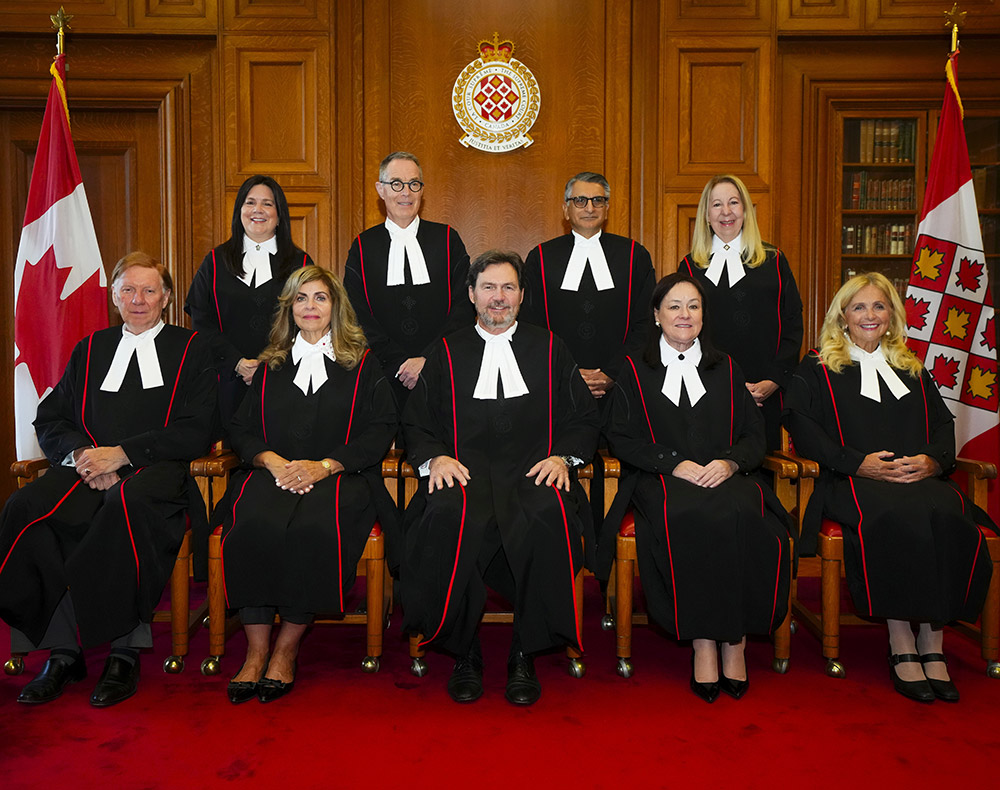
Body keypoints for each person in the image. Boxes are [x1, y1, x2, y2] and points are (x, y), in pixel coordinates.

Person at [0, 252, 216, 707]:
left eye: (149, 290)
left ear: (167, 297)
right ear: (114, 297)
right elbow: (51, 418)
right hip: (87, 469)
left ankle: (124, 650)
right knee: (27, 509)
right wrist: (83, 457)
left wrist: (121, 456)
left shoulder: (191, 347)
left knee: (124, 508)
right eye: (127, 290)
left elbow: (198, 428)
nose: (138, 300)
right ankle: (63, 651)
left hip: (156, 473)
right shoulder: (91, 348)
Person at [783, 272, 995, 703]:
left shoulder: (912, 366)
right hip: (852, 481)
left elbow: (941, 425)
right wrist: (858, 464)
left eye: (879, 306)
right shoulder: (817, 367)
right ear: (842, 315)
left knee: (945, 513)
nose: (869, 315)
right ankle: (901, 639)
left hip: (917, 479)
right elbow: (803, 431)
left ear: (892, 317)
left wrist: (932, 461)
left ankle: (932, 641)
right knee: (897, 516)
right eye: (859, 306)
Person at [401, 250, 599, 706]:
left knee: (548, 514)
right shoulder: (446, 350)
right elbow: (416, 423)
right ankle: (464, 649)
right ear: (471, 295)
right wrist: (437, 459)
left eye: (508, 288)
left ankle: (524, 652)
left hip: (532, 474)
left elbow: (582, 418)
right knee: (448, 517)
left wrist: (562, 458)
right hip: (464, 474)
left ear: (522, 296)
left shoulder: (550, 347)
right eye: (488, 287)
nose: (498, 297)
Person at [599, 273, 791, 703]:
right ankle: (704, 641)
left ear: (704, 315)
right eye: (674, 306)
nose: (684, 315)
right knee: (692, 515)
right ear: (656, 314)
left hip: (726, 476)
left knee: (747, 516)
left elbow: (754, 436)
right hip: (661, 480)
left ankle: (736, 639)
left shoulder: (727, 365)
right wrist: (674, 464)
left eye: (693, 306)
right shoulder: (632, 368)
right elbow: (621, 437)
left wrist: (728, 463)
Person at [218, 266, 397, 704]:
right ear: (289, 308)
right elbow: (240, 430)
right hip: (273, 474)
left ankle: (286, 649)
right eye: (301, 299)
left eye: (320, 298)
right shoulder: (270, 362)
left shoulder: (363, 362)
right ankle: (256, 650)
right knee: (252, 527)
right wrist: (273, 461)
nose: (310, 307)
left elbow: (381, 428)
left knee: (312, 530)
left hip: (340, 477)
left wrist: (326, 465)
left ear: (336, 306)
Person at [679, 174, 803, 450]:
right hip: (709, 392)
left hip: (766, 392)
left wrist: (774, 379)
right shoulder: (689, 268)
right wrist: (722, 385)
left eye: (733, 203)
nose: (726, 212)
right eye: (717, 205)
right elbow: (681, 334)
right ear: (706, 215)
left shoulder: (774, 261)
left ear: (745, 210)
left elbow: (793, 323)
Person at [344, 151, 473, 407]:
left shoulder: (447, 240)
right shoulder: (363, 246)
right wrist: (398, 364)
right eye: (396, 184)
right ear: (381, 190)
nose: (406, 192)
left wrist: (428, 359)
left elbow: (465, 306)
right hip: (381, 375)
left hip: (440, 372)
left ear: (421, 191)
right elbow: (354, 312)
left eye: (414, 184)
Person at [185, 175, 314, 429]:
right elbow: (201, 322)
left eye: (267, 204)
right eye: (250, 202)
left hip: (284, 381)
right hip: (225, 381)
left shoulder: (300, 264)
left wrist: (269, 365)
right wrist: (237, 362)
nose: (258, 210)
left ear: (279, 215)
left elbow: (311, 324)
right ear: (239, 211)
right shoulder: (214, 262)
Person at [522, 172, 655, 412]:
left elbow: (645, 324)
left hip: (622, 386)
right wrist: (568, 373)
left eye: (598, 200)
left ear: (607, 208)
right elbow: (531, 326)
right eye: (580, 200)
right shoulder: (541, 258)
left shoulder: (634, 256)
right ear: (566, 209)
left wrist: (612, 373)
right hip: (558, 388)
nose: (590, 208)